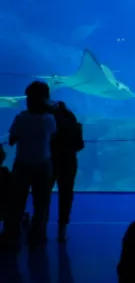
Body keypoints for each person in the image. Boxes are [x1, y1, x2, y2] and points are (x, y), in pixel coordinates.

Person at [3, 81, 57, 248]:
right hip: (43, 165)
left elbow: (12, 140)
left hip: (22, 165)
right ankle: (38, 234)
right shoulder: (49, 119)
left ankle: (12, 234)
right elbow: (53, 137)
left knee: (16, 201)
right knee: (41, 203)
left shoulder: (20, 118)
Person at [49, 99, 84, 243]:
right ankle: (62, 229)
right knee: (66, 194)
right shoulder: (71, 120)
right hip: (69, 161)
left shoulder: (49, 120)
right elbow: (79, 145)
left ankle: (39, 227)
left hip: (50, 160)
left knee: (43, 194)